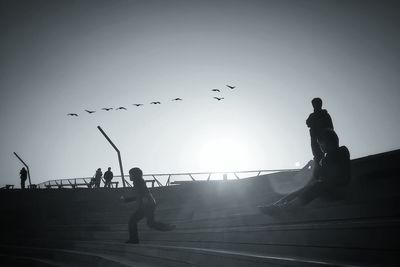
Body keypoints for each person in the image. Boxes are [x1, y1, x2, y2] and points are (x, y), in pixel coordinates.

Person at [259, 129, 351, 213]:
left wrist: (321, 164)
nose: (320, 147)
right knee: (304, 188)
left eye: (321, 144)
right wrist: (315, 165)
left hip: (338, 189)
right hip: (325, 188)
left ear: (328, 142)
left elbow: (334, 176)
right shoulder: (325, 159)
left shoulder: (342, 151)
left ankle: (287, 207)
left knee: (317, 185)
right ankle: (276, 204)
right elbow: (318, 176)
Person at [121, 167, 175, 244]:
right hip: (148, 204)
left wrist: (144, 200)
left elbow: (142, 192)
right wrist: (127, 200)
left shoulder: (138, 182)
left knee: (134, 221)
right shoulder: (139, 182)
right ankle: (167, 227)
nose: (129, 176)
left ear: (134, 175)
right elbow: (138, 195)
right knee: (150, 223)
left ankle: (134, 239)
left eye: (130, 174)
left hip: (147, 205)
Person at [306, 98, 334, 163]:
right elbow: (308, 123)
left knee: (326, 151)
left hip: (324, 136)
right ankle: (318, 160)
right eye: (313, 104)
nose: (315, 106)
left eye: (316, 104)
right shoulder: (312, 115)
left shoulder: (325, 114)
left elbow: (330, 127)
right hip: (315, 136)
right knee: (316, 152)